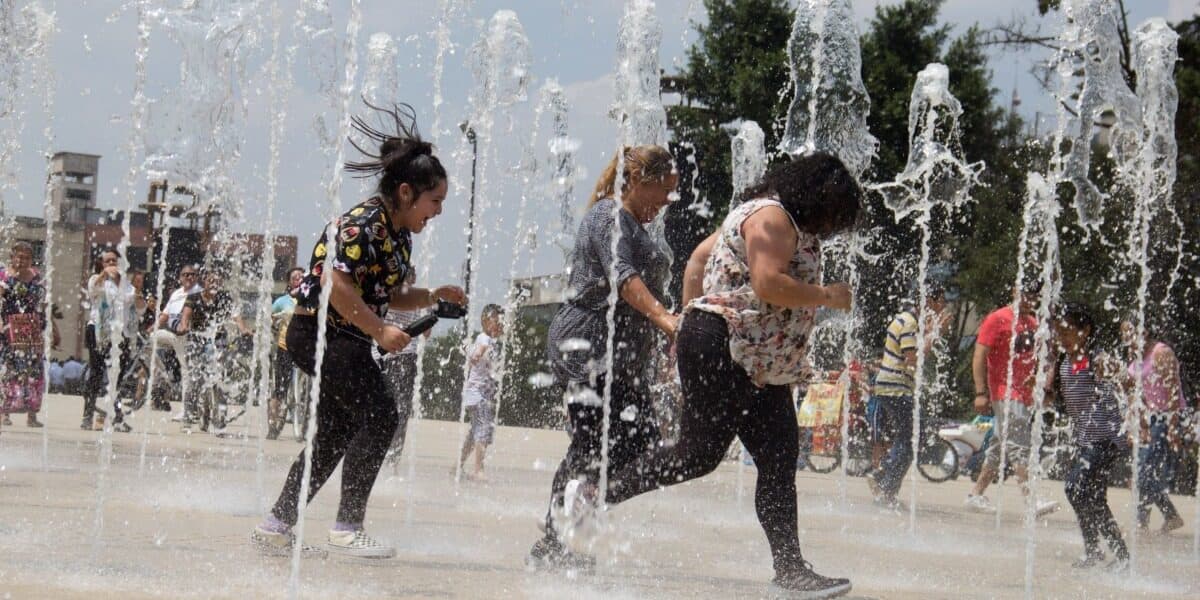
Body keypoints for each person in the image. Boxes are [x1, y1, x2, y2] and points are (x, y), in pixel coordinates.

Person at [575, 153, 861, 597]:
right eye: (835, 215)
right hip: (727, 350)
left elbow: (697, 260)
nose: (833, 227)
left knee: (778, 461)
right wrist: (827, 295)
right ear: (820, 200)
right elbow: (767, 283)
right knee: (698, 454)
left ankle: (791, 572)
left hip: (755, 361)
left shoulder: (766, 215)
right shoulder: (771, 219)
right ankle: (594, 493)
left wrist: (688, 320)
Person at [251, 102, 465, 559]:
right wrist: (380, 329)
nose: (438, 212)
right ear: (406, 192)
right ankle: (347, 527)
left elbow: (387, 293)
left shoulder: (398, 233)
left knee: (335, 432)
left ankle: (275, 525)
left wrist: (431, 295)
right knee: (382, 414)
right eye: (435, 201)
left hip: (343, 335)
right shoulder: (362, 224)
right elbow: (336, 284)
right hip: (319, 332)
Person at [526, 144, 679, 570]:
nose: (668, 200)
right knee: (591, 444)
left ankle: (578, 507)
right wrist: (665, 320)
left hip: (622, 356)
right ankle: (555, 539)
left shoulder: (635, 224)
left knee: (643, 442)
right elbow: (624, 279)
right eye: (664, 190)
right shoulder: (607, 217)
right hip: (586, 347)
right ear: (640, 181)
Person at [965, 281, 1059, 517]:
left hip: (1023, 394)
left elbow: (1039, 361)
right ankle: (1031, 499)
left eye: (1035, 296)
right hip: (1004, 392)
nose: (1031, 299)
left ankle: (976, 494)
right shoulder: (997, 318)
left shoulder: (1033, 323)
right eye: (1026, 294)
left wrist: (1043, 388)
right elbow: (979, 356)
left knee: (999, 447)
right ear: (1015, 291)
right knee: (1019, 444)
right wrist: (980, 392)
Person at [1052, 303, 1130, 572]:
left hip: (1106, 440)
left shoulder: (1097, 358)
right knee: (1093, 497)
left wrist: (1118, 374)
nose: (1061, 337)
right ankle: (1110, 554)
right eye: (1058, 332)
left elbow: (1126, 381)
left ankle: (1103, 551)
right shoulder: (1065, 362)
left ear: (1085, 331)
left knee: (1075, 487)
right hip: (1085, 440)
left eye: (1066, 331)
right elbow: (1066, 398)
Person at [866, 286, 951, 509]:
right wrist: (935, 333)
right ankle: (885, 484)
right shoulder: (909, 322)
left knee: (910, 437)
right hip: (895, 386)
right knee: (913, 437)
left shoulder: (909, 321)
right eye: (941, 301)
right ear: (928, 301)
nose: (943, 306)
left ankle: (885, 483)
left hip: (894, 386)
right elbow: (913, 359)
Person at [1119, 316, 1186, 534]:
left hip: (1166, 416)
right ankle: (1152, 519)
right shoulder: (1136, 355)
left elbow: (1173, 390)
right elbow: (1134, 392)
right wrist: (1136, 424)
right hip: (1149, 418)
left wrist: (1173, 427)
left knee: (1143, 471)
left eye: (1128, 331)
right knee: (1141, 470)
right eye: (1123, 333)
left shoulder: (1161, 352)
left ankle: (1154, 518)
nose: (1124, 337)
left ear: (1143, 332)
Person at [175, 268, 249, 434]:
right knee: (195, 379)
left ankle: (220, 420)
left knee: (220, 379)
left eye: (217, 281)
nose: (214, 284)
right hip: (197, 340)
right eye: (210, 280)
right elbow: (186, 315)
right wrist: (183, 326)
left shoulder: (224, 298)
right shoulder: (194, 297)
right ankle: (187, 417)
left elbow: (236, 316)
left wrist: (243, 329)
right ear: (204, 282)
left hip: (218, 340)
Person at [81, 251, 147, 432]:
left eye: (114, 260)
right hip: (99, 332)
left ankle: (115, 417)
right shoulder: (97, 279)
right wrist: (105, 273)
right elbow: (93, 290)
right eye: (107, 261)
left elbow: (139, 310)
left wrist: (140, 297)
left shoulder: (127, 285)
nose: (111, 263)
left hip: (121, 335)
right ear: (102, 264)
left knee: (117, 377)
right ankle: (88, 414)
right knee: (96, 373)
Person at [0, 242, 59, 433]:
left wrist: (54, 328)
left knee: (34, 371)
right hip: (8, 329)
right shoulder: (4, 276)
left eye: (26, 257)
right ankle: (4, 412)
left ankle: (32, 414)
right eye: (19, 256)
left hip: (32, 329)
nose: (22, 260)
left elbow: (44, 305)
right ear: (12, 257)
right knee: (8, 369)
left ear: (32, 260)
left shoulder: (37, 278)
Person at [378, 268, 429, 461]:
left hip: (383, 355)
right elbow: (427, 333)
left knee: (382, 405)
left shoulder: (388, 294)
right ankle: (394, 457)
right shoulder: (419, 299)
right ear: (413, 278)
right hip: (407, 356)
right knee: (403, 407)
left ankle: (379, 450)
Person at [456, 304, 504, 481]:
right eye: (497, 321)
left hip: (477, 394)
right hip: (480, 395)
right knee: (483, 430)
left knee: (474, 433)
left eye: (502, 322)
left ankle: (457, 466)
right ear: (486, 321)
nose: (500, 325)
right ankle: (479, 470)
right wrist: (477, 355)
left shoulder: (488, 340)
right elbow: (480, 350)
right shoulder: (485, 339)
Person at [267, 267, 305, 440]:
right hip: (285, 347)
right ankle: (272, 424)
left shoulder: (311, 299)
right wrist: (274, 322)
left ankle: (306, 422)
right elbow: (269, 317)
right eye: (295, 277)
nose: (299, 279)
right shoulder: (282, 301)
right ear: (289, 282)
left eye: (301, 276)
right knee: (280, 389)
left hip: (305, 348)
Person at [160, 265, 201, 420]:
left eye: (192, 274)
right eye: (185, 274)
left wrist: (184, 326)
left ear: (196, 277)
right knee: (149, 342)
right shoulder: (176, 293)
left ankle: (186, 410)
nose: (189, 277)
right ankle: (164, 375)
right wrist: (152, 328)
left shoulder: (198, 292)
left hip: (186, 336)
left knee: (186, 371)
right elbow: (165, 315)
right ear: (180, 278)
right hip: (171, 333)